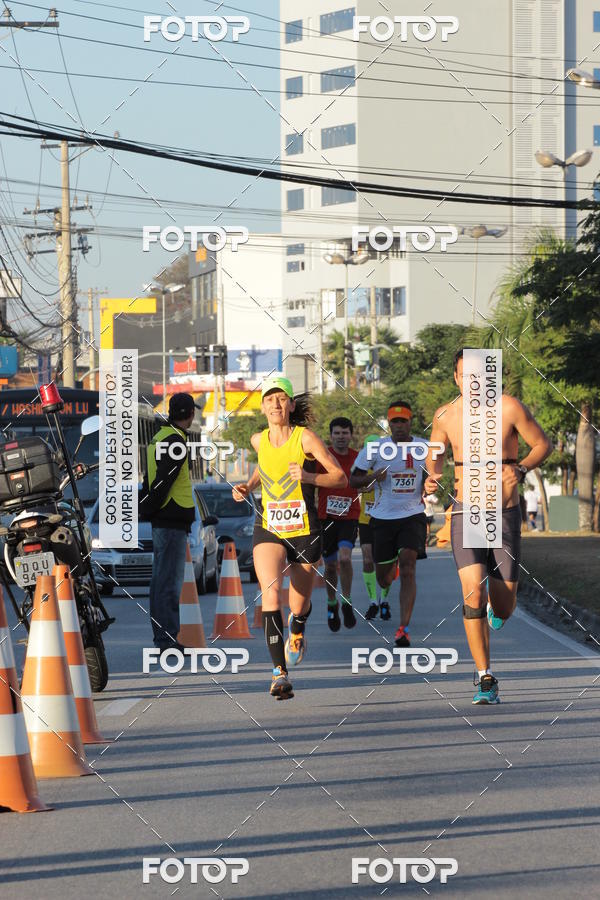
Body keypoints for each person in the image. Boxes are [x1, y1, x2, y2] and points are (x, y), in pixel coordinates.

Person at [424, 349, 552, 704]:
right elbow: (435, 455)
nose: (473, 383)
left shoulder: (509, 408)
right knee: (472, 593)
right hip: (466, 510)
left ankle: (500, 609)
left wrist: (521, 468)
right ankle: (485, 677)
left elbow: (543, 444)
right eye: (466, 377)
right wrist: (432, 477)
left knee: (505, 605)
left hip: (505, 511)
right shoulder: (446, 415)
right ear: (456, 379)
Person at [232, 376, 346, 700]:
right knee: (271, 593)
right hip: (269, 525)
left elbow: (339, 476)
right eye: (269, 399)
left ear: (291, 405)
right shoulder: (258, 440)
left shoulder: (305, 438)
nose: (275, 405)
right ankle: (279, 673)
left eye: (281, 399)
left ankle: (297, 629)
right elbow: (263, 467)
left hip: (304, 529)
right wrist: (248, 486)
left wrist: (308, 476)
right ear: (263, 406)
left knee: (299, 604)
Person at [350, 402, 428, 648]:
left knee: (408, 566)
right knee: (384, 578)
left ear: (410, 422)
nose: (399, 426)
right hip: (382, 518)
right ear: (388, 424)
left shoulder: (423, 447)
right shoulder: (376, 448)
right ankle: (388, 569)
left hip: (413, 515)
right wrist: (374, 476)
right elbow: (353, 479)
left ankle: (403, 628)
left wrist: (431, 483)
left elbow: (433, 473)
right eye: (394, 422)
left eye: (403, 421)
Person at [146, 392, 197, 652]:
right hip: (170, 519)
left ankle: (164, 637)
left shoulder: (161, 437)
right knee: (167, 582)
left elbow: (152, 479)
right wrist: (153, 508)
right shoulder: (175, 440)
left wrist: (150, 509)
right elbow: (163, 482)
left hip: (166, 519)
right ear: (190, 414)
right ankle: (166, 639)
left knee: (161, 580)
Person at [316, 417, 360, 631]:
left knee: (345, 557)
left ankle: (347, 601)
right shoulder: (323, 458)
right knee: (331, 566)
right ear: (331, 436)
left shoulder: (358, 458)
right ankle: (332, 602)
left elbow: (365, 481)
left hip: (349, 516)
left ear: (351, 435)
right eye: (337, 433)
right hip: (326, 518)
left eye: (345, 433)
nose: (341, 437)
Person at [359, 434, 393, 621]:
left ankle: (384, 600)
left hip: (386, 519)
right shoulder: (361, 469)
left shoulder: (389, 467)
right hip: (366, 520)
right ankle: (373, 601)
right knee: (367, 558)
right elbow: (353, 486)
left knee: (386, 563)